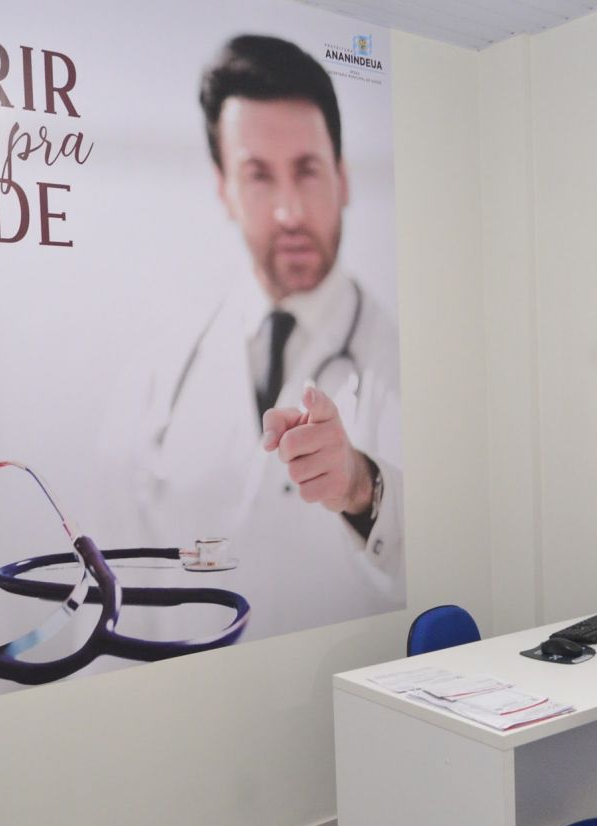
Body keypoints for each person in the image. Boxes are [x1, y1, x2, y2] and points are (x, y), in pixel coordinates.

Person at [100, 34, 403, 642]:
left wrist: (359, 485)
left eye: (307, 171)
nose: (290, 212)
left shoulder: (404, 357)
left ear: (343, 179)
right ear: (224, 190)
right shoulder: (156, 378)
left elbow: (453, 553)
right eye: (258, 176)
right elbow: (122, 594)